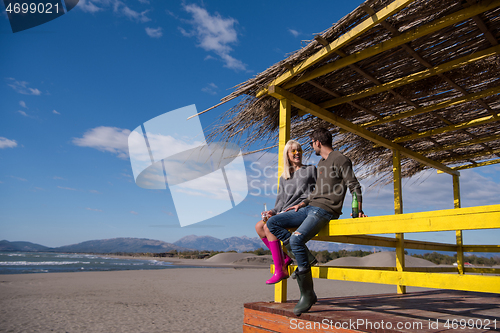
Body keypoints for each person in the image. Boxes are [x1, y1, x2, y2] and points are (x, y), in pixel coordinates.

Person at [266, 127, 367, 316]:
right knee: (272, 223)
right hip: (309, 207)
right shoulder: (321, 163)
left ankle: (307, 294)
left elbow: (354, 185)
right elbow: (316, 192)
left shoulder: (341, 159)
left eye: (312, 143)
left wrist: (358, 210)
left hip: (325, 210)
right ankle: (306, 257)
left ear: (317, 143)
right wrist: (301, 203)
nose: (311, 146)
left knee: (296, 240)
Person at [255, 140, 317, 285]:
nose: (297, 153)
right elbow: (280, 201)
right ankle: (285, 258)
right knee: (259, 226)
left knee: (269, 226)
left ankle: (280, 270)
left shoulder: (310, 170)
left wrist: (305, 204)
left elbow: (318, 192)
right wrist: (272, 211)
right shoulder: (284, 177)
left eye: (299, 150)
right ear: (287, 155)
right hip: (284, 212)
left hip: (301, 210)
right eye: (293, 151)